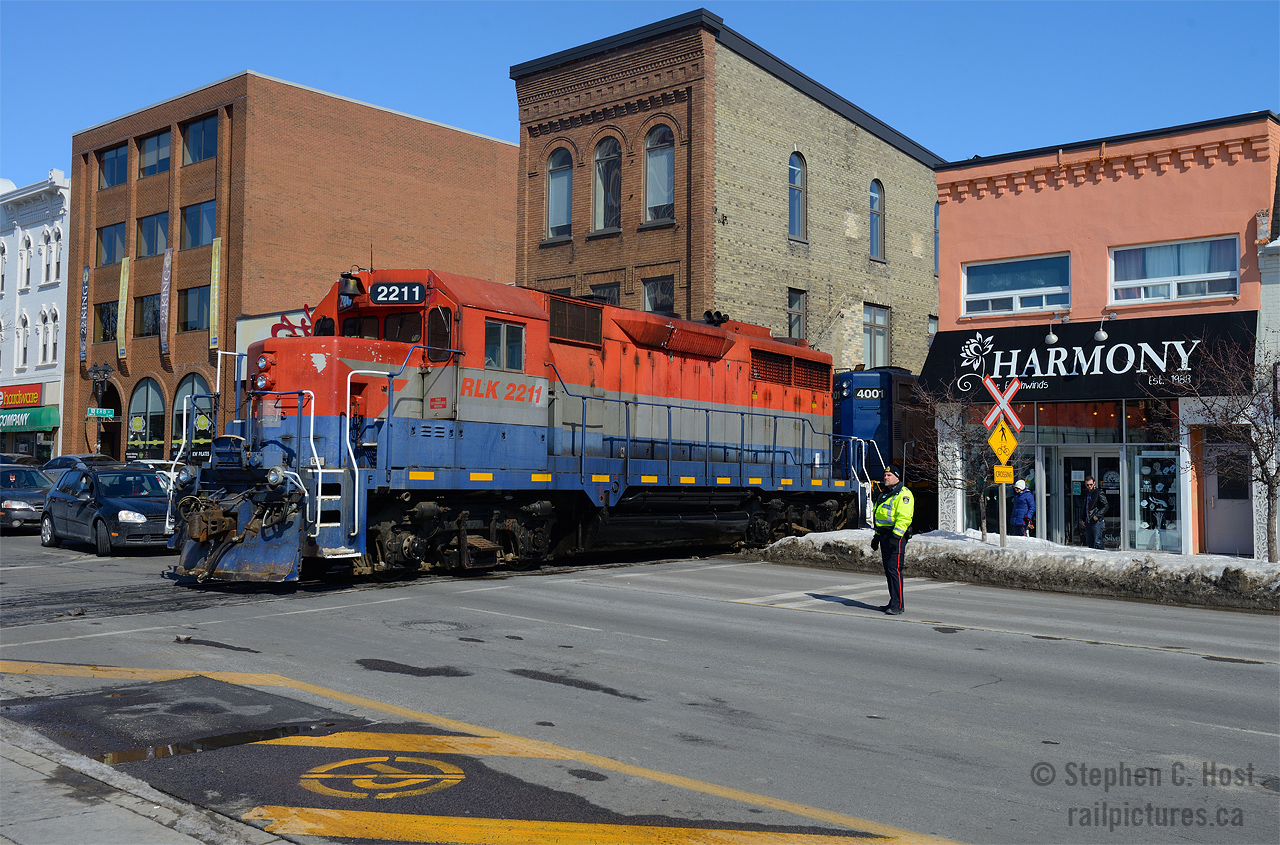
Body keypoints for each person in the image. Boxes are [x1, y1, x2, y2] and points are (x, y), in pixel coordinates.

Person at [870, 465, 914, 615]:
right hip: (884, 535)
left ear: (897, 477)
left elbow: (904, 517)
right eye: (885, 475)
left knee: (894, 570)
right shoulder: (885, 493)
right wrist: (876, 536)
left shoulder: (903, 494)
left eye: (889, 475)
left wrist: (896, 537)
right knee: (888, 570)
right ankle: (893, 600)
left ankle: (898, 604)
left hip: (896, 537)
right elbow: (880, 517)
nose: (885, 477)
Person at [1080, 475, 1108, 550]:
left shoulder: (1098, 492)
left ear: (1094, 483)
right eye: (1087, 485)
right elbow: (1085, 507)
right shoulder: (1086, 494)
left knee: (1098, 542)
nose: (1089, 486)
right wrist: (1083, 518)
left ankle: (1101, 558)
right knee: (1090, 542)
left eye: (1091, 484)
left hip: (1096, 521)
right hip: (1088, 521)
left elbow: (1105, 505)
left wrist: (1097, 515)